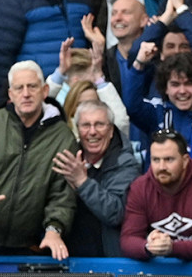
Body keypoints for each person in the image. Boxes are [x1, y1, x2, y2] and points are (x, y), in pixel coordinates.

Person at [0, 60, 76, 257]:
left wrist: (54, 229)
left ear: (45, 91)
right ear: (10, 95)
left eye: (32, 86)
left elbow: (62, 195)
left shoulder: (63, 137)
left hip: (32, 247)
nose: (26, 93)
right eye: (19, 88)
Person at [51, 100, 141, 257]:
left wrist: (82, 183)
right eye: (85, 125)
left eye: (99, 124)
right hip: (66, 259)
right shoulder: (66, 159)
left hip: (109, 262)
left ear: (111, 130)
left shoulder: (125, 163)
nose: (92, 132)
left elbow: (115, 213)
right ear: (77, 130)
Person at [119, 129, 192, 260]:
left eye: (169, 159)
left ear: (185, 160)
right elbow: (128, 239)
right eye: (156, 160)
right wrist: (149, 247)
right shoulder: (140, 187)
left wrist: (172, 248)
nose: (162, 166)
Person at [123, 44, 192, 170]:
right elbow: (131, 105)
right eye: (175, 84)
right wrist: (139, 64)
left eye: (188, 84)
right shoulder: (157, 113)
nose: (182, 91)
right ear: (165, 88)